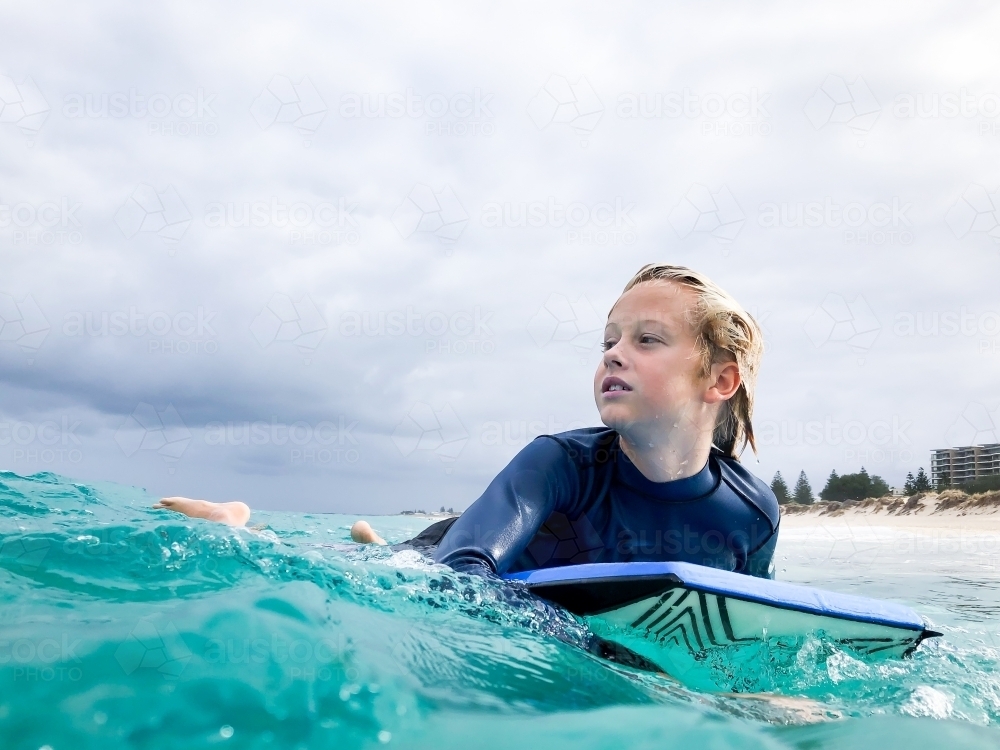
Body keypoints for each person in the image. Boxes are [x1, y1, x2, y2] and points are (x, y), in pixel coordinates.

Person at [157, 263, 778, 580]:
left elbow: (752, 619)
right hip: (455, 551)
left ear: (720, 380)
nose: (614, 353)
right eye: (608, 340)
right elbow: (465, 572)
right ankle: (243, 529)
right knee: (369, 568)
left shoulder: (752, 514)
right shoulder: (560, 464)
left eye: (647, 340)